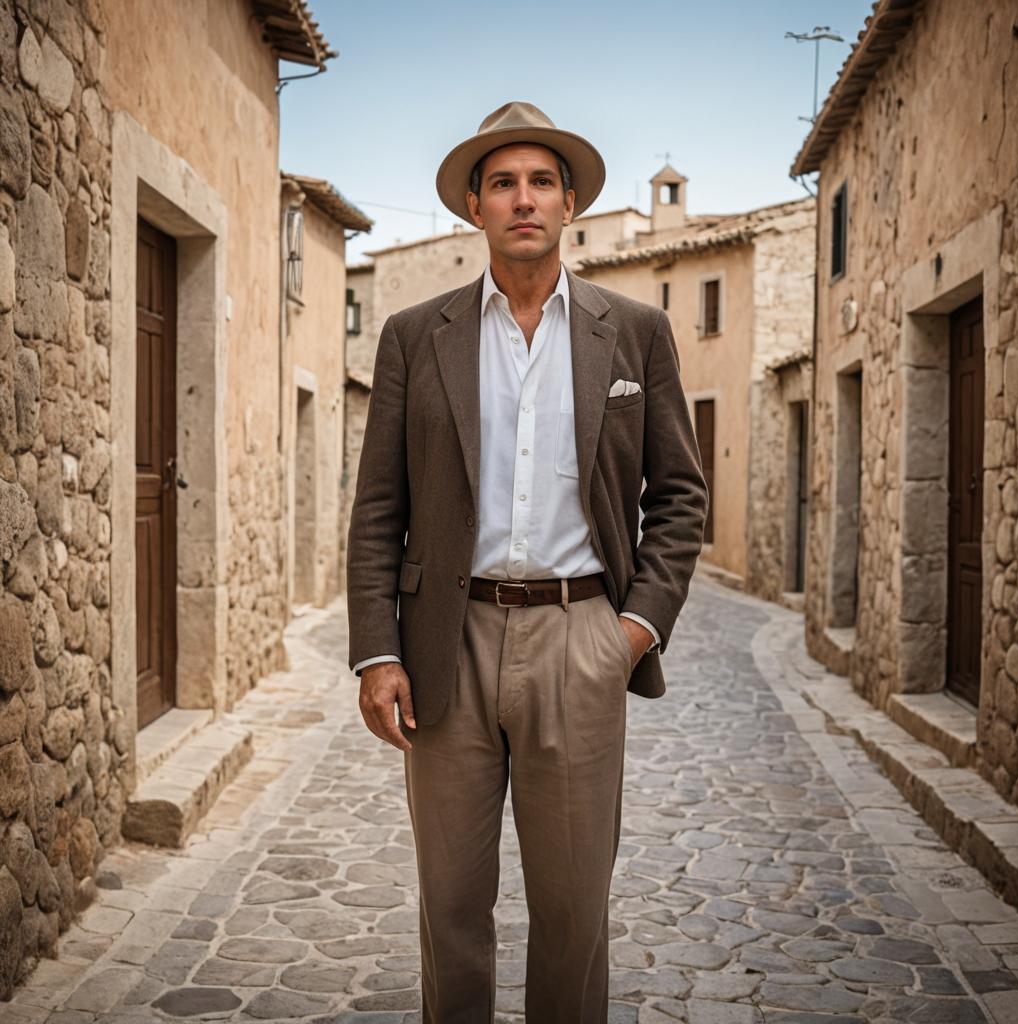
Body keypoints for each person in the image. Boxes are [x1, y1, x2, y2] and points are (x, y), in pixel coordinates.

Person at [346, 100, 709, 1023]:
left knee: (574, 910)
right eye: (502, 183)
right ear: (475, 206)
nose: (523, 200)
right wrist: (377, 652)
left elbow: (679, 497)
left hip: (580, 637)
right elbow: (380, 507)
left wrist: (630, 632)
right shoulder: (412, 335)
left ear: (571, 201)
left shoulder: (634, 332)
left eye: (541, 181)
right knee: (452, 907)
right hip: (445, 645)